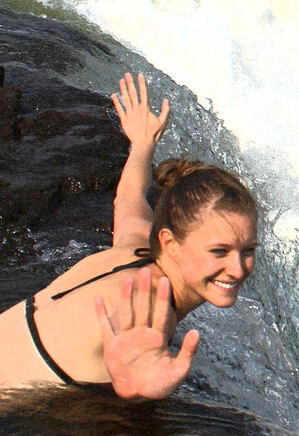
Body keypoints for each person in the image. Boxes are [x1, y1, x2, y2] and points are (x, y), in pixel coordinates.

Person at [0, 72, 259, 400]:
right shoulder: (147, 306)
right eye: (219, 251)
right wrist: (136, 386)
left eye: (248, 250)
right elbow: (123, 325)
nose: (237, 268)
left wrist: (142, 144)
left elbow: (129, 198)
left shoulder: (135, 248)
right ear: (169, 243)